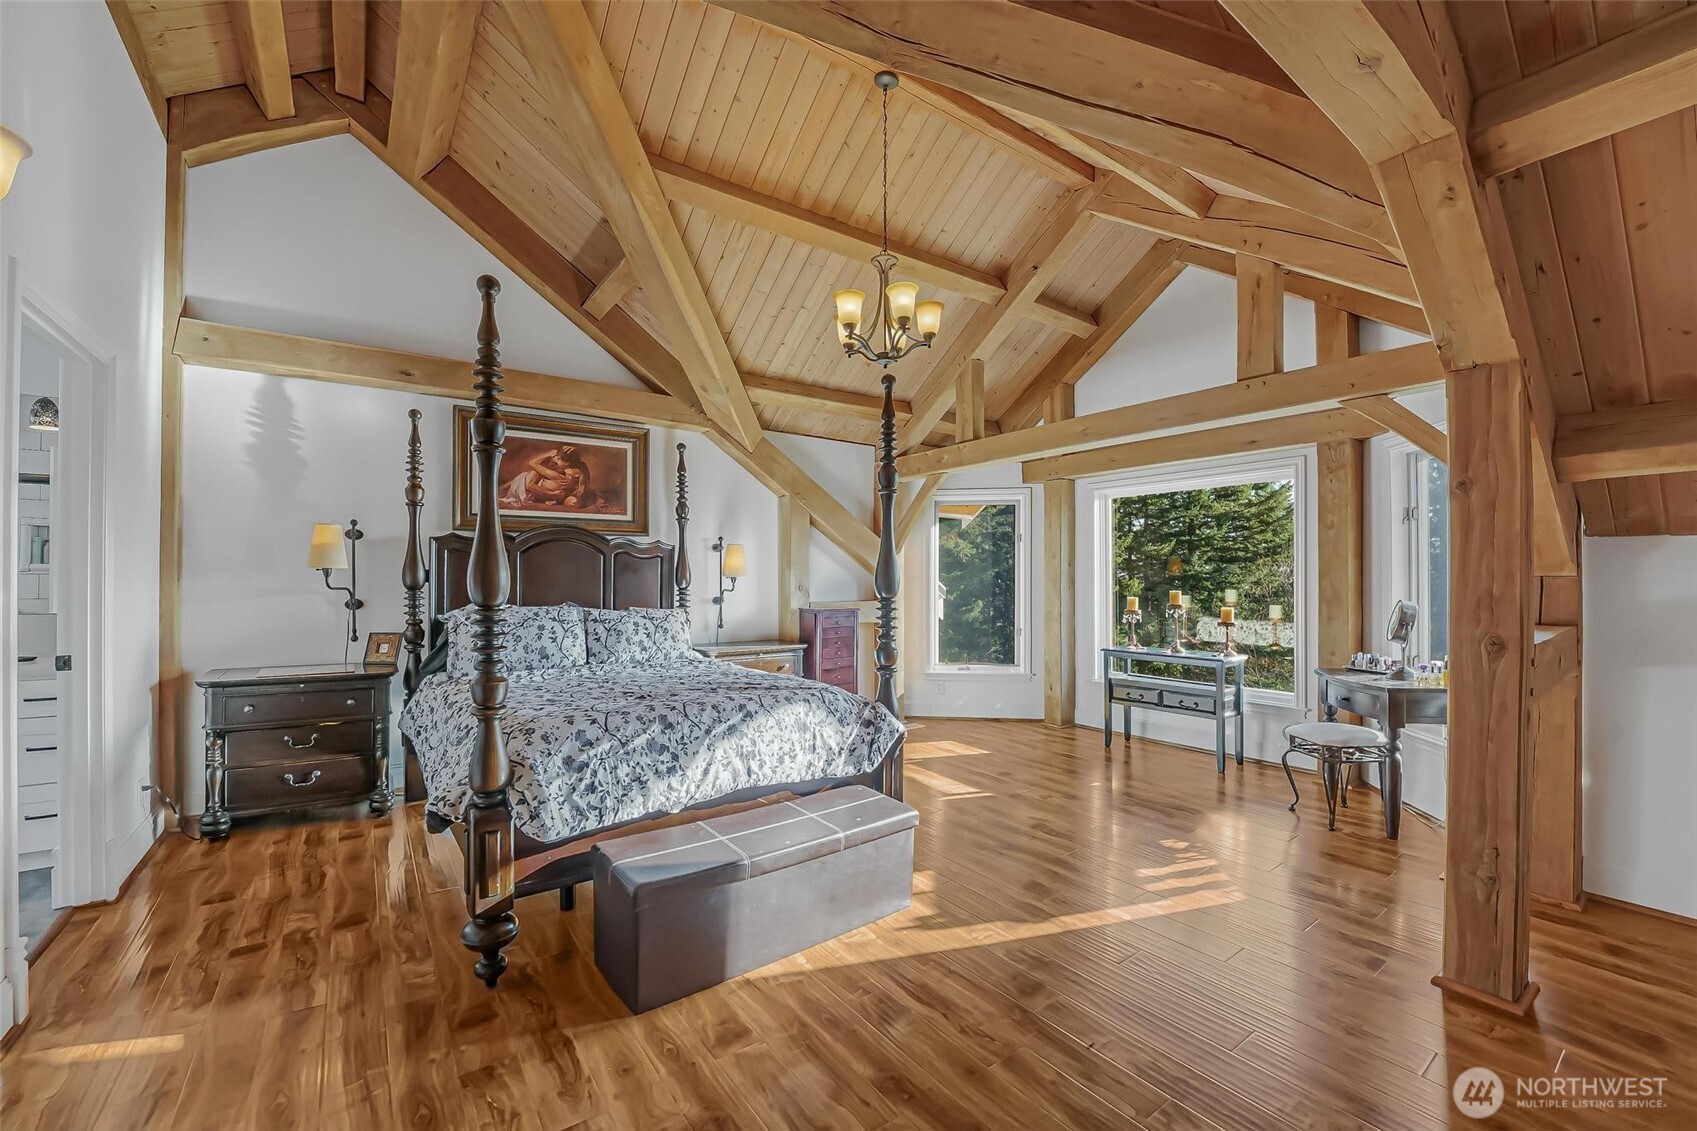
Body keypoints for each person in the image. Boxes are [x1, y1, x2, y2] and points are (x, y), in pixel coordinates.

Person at [499, 444, 598, 510]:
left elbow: (582, 473)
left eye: (560, 460)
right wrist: (551, 494)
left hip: (533, 488)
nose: (557, 461)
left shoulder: (571, 476)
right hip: (525, 484)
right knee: (505, 488)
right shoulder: (557, 474)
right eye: (557, 459)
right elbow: (530, 480)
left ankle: (500, 489)